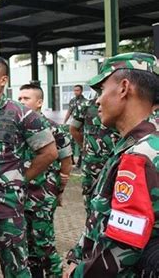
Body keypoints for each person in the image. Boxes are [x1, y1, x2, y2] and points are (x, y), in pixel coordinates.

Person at [65, 52, 159, 277]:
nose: (97, 100)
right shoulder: (139, 145)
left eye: (102, 90)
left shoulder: (139, 155)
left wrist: (78, 273)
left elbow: (123, 247)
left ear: (124, 88)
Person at [0, 57, 58, 277]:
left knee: (16, 269)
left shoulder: (22, 113)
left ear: (3, 80)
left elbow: (49, 152)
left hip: (6, 208)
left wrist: (21, 178)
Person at [18, 84, 72, 278]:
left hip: (42, 195)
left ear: (39, 102)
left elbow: (66, 161)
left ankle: (55, 274)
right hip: (20, 195)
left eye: (26, 98)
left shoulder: (55, 128)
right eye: (20, 98)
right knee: (26, 245)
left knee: (44, 244)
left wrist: (60, 190)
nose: (21, 102)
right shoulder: (16, 127)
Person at [69, 96, 120, 217]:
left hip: (117, 162)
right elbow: (73, 129)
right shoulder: (86, 105)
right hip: (91, 164)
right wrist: (86, 148)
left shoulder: (122, 104)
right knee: (90, 200)